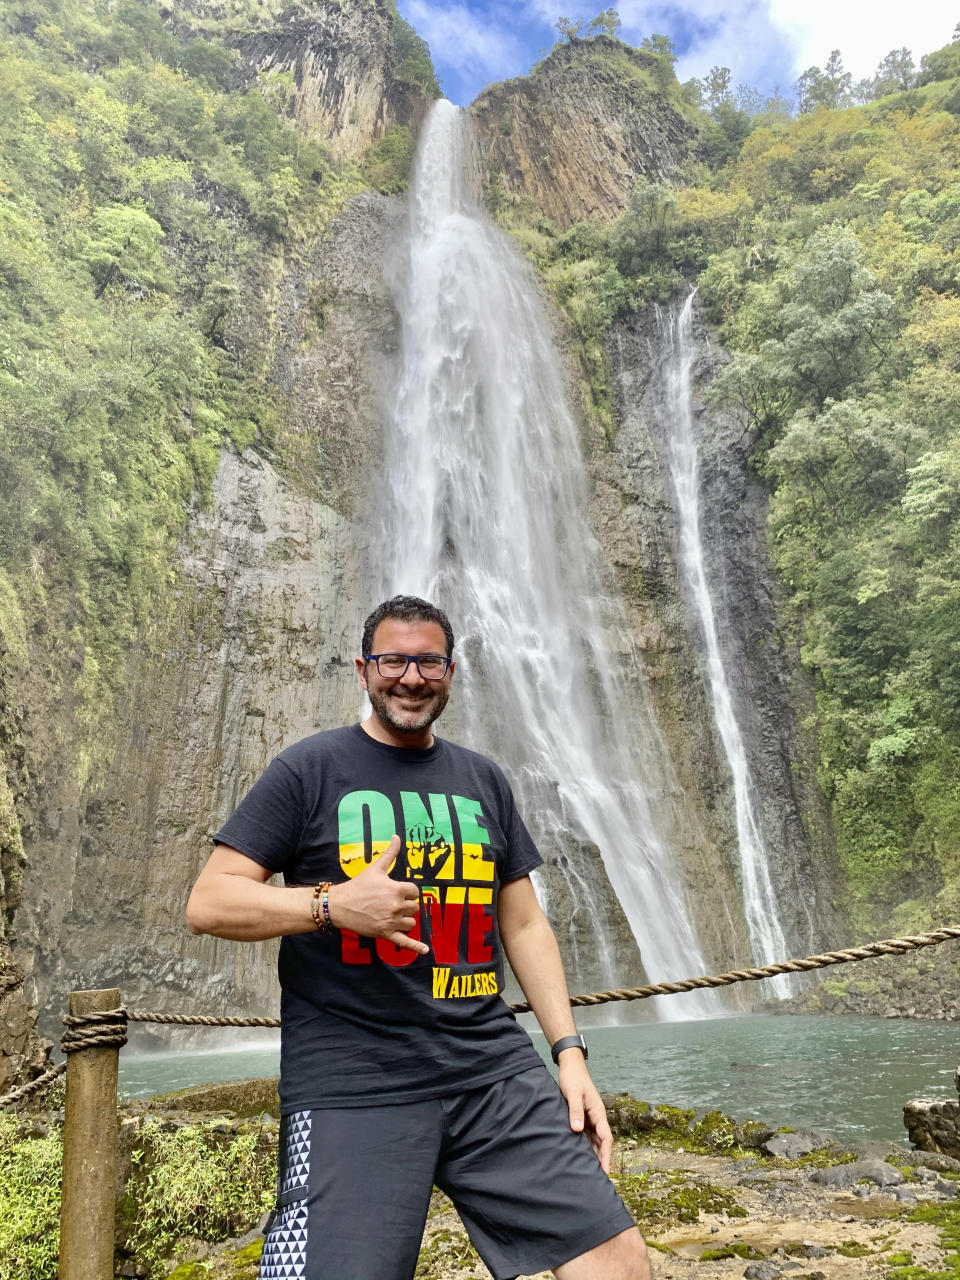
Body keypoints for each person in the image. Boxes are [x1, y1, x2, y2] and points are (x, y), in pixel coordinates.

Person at [186, 595, 650, 1280]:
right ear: (363, 668)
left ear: (451, 671)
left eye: (427, 661)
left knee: (616, 1258)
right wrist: (331, 905)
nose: (410, 677)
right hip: (354, 1079)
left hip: (489, 1067)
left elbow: (522, 922)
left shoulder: (483, 780)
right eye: (393, 660)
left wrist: (570, 1056)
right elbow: (209, 900)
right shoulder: (309, 770)